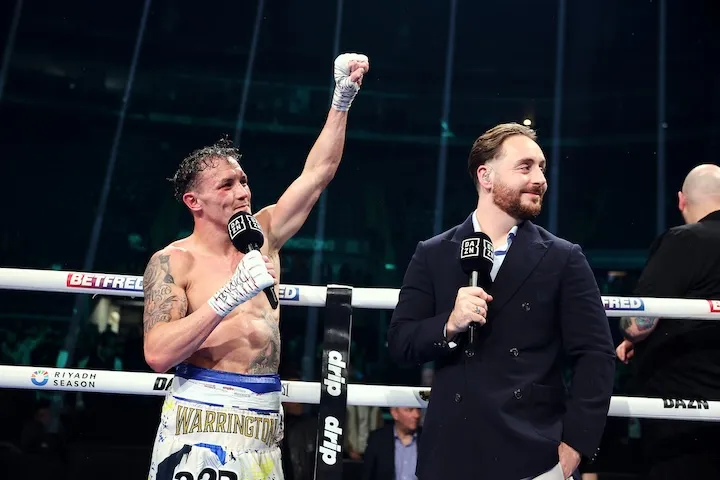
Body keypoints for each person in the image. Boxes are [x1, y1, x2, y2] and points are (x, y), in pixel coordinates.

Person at [141, 53, 369, 480]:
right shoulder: (174, 261)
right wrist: (227, 297)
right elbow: (157, 354)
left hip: (263, 418)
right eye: (226, 185)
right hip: (198, 415)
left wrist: (342, 100)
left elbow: (318, 173)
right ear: (194, 202)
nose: (242, 192)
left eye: (243, 181)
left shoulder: (265, 233)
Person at [387, 123, 616, 480]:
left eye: (542, 168)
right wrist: (449, 324)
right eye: (525, 167)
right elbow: (401, 342)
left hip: (533, 455)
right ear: (486, 176)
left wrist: (575, 447)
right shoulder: (433, 253)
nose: (540, 179)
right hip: (449, 455)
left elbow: (596, 355)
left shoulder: (563, 257)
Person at [615, 164, 720, 478]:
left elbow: (638, 323)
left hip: (685, 412)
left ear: (681, 200)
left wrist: (631, 337)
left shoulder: (686, 240)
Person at [361, 407, 422, 480]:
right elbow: (367, 475)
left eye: (419, 409)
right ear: (395, 413)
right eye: (409, 410)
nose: (417, 415)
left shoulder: (428, 439)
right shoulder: (378, 439)